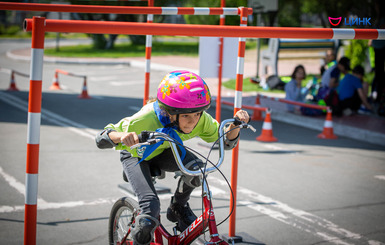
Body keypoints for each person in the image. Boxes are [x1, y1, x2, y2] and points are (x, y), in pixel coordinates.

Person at [95, 70, 250, 245]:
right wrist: (122, 137)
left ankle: (178, 207)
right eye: (186, 116)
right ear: (169, 112)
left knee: (196, 168)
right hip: (135, 155)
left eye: (197, 114)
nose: (193, 121)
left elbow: (226, 141)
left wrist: (235, 125)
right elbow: (101, 138)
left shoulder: (200, 120)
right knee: (149, 211)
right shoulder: (145, 119)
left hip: (164, 150)